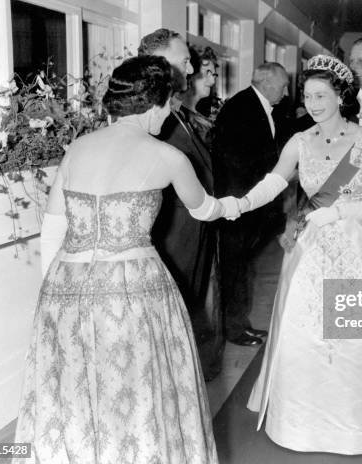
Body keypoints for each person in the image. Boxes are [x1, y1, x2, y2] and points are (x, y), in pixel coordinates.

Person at [13, 56, 221, 463]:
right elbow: (203, 208)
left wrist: (51, 297)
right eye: (170, 103)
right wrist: (236, 205)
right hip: (131, 291)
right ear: (156, 103)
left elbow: (53, 227)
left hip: (64, 284)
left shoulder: (77, 148)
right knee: (133, 390)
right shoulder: (168, 156)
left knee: (74, 388)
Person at [220, 54, 362, 453]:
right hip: (311, 251)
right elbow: (273, 182)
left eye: (320, 95)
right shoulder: (299, 141)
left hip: (352, 247)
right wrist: (238, 204)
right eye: (306, 96)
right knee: (304, 332)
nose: (312, 104)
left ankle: (359, 425)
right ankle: (300, 423)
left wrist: (346, 211)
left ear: (340, 96)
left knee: (353, 337)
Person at [139, 29, 220, 379]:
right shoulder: (146, 116)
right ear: (160, 64)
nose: (191, 70)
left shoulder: (179, 112)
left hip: (194, 228)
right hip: (171, 235)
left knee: (191, 311)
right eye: (185, 61)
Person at [212, 62, 290, 346]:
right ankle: (234, 329)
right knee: (234, 270)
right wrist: (245, 204)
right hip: (238, 207)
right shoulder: (240, 109)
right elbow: (235, 162)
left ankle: (239, 325)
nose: (286, 91)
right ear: (267, 82)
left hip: (249, 204)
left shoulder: (261, 107)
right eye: (282, 85)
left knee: (242, 267)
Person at [181, 46, 219, 145]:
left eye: (214, 75)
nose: (212, 81)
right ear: (190, 75)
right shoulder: (179, 117)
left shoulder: (202, 116)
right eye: (207, 73)